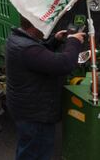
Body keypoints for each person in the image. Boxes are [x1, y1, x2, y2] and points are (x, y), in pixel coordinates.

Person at [6, 16, 85, 160]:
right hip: (36, 114)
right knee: (36, 153)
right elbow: (64, 64)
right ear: (35, 25)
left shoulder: (17, 39)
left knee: (27, 150)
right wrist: (74, 41)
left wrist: (55, 40)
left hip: (26, 110)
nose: (48, 27)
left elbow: (38, 55)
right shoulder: (28, 49)